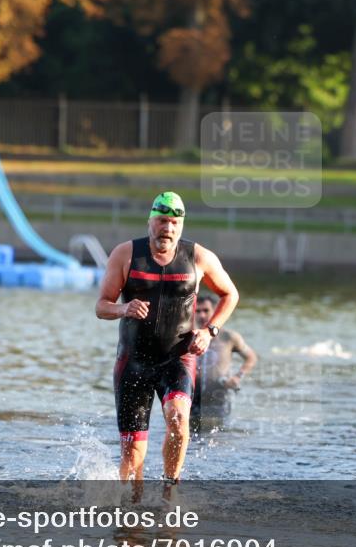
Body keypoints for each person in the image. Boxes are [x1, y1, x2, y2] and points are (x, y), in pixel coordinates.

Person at [95, 192, 239, 495]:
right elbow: (102, 306)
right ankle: (131, 509)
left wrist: (209, 330)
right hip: (134, 361)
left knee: (177, 418)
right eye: (162, 221)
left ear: (181, 226)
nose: (168, 229)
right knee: (132, 457)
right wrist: (124, 308)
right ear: (150, 221)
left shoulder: (198, 257)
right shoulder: (125, 254)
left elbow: (230, 294)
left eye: (174, 223)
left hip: (178, 358)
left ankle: (169, 492)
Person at [190, 294, 258, 432]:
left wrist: (238, 377)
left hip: (219, 395)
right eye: (198, 311)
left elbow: (251, 357)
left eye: (206, 311)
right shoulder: (188, 336)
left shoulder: (228, 337)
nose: (202, 315)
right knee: (190, 435)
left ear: (215, 312)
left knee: (218, 434)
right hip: (193, 396)